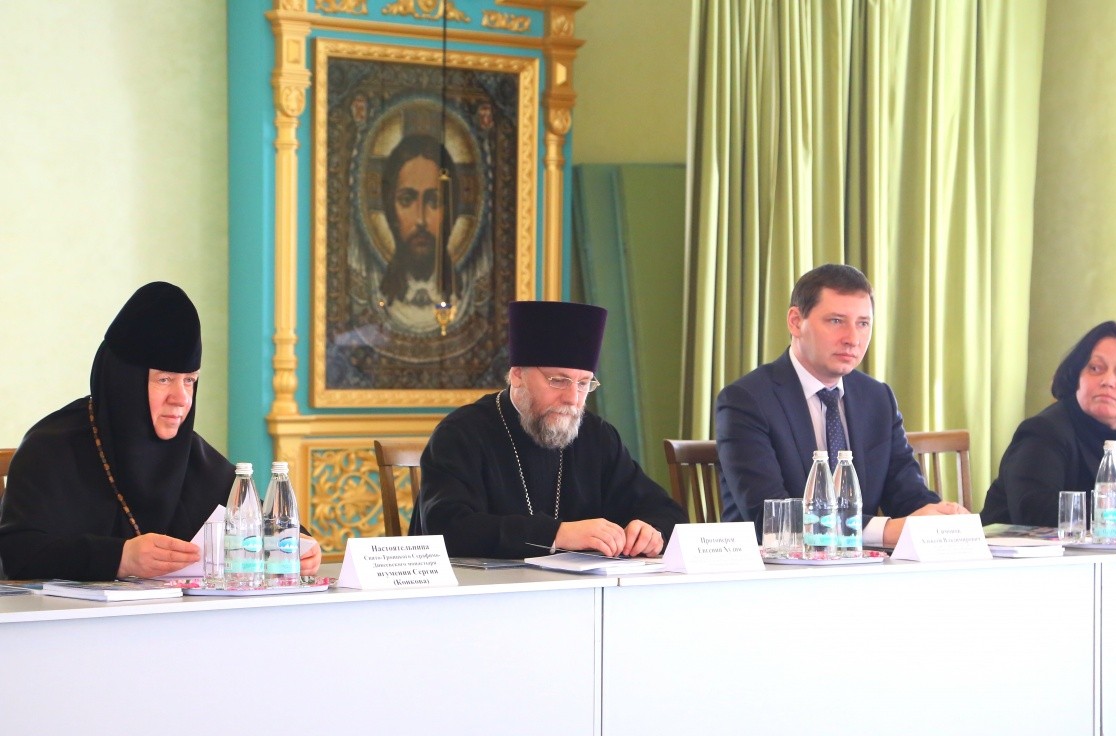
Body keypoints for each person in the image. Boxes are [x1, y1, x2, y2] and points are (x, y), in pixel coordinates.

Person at [0, 282, 322, 580]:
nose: (181, 398)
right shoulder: (50, 447)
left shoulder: (190, 454)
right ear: (125, 381)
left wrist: (295, 544)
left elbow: (256, 519)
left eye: (190, 380)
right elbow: (17, 553)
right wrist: (120, 558)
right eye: (164, 379)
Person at [412, 300, 687, 558]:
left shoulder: (597, 436)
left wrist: (651, 531)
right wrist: (556, 534)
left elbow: (667, 512)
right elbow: (447, 527)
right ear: (518, 375)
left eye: (583, 384)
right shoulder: (462, 433)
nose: (572, 399)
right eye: (558, 381)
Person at [716, 264, 968, 546]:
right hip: (775, 566)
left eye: (863, 323)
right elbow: (772, 519)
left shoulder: (877, 398)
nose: (852, 339)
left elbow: (907, 494)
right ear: (796, 322)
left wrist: (938, 516)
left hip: (862, 567)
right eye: (836, 321)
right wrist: (885, 531)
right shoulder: (746, 401)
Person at [981, 321, 1116, 526]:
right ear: (1077, 376)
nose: (1108, 381)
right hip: (1017, 554)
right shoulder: (1045, 431)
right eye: (1095, 368)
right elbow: (1034, 511)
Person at [379, 133, 458, 308]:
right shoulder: (378, 295)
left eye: (434, 201)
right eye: (406, 200)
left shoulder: (463, 296)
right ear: (391, 211)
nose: (421, 220)